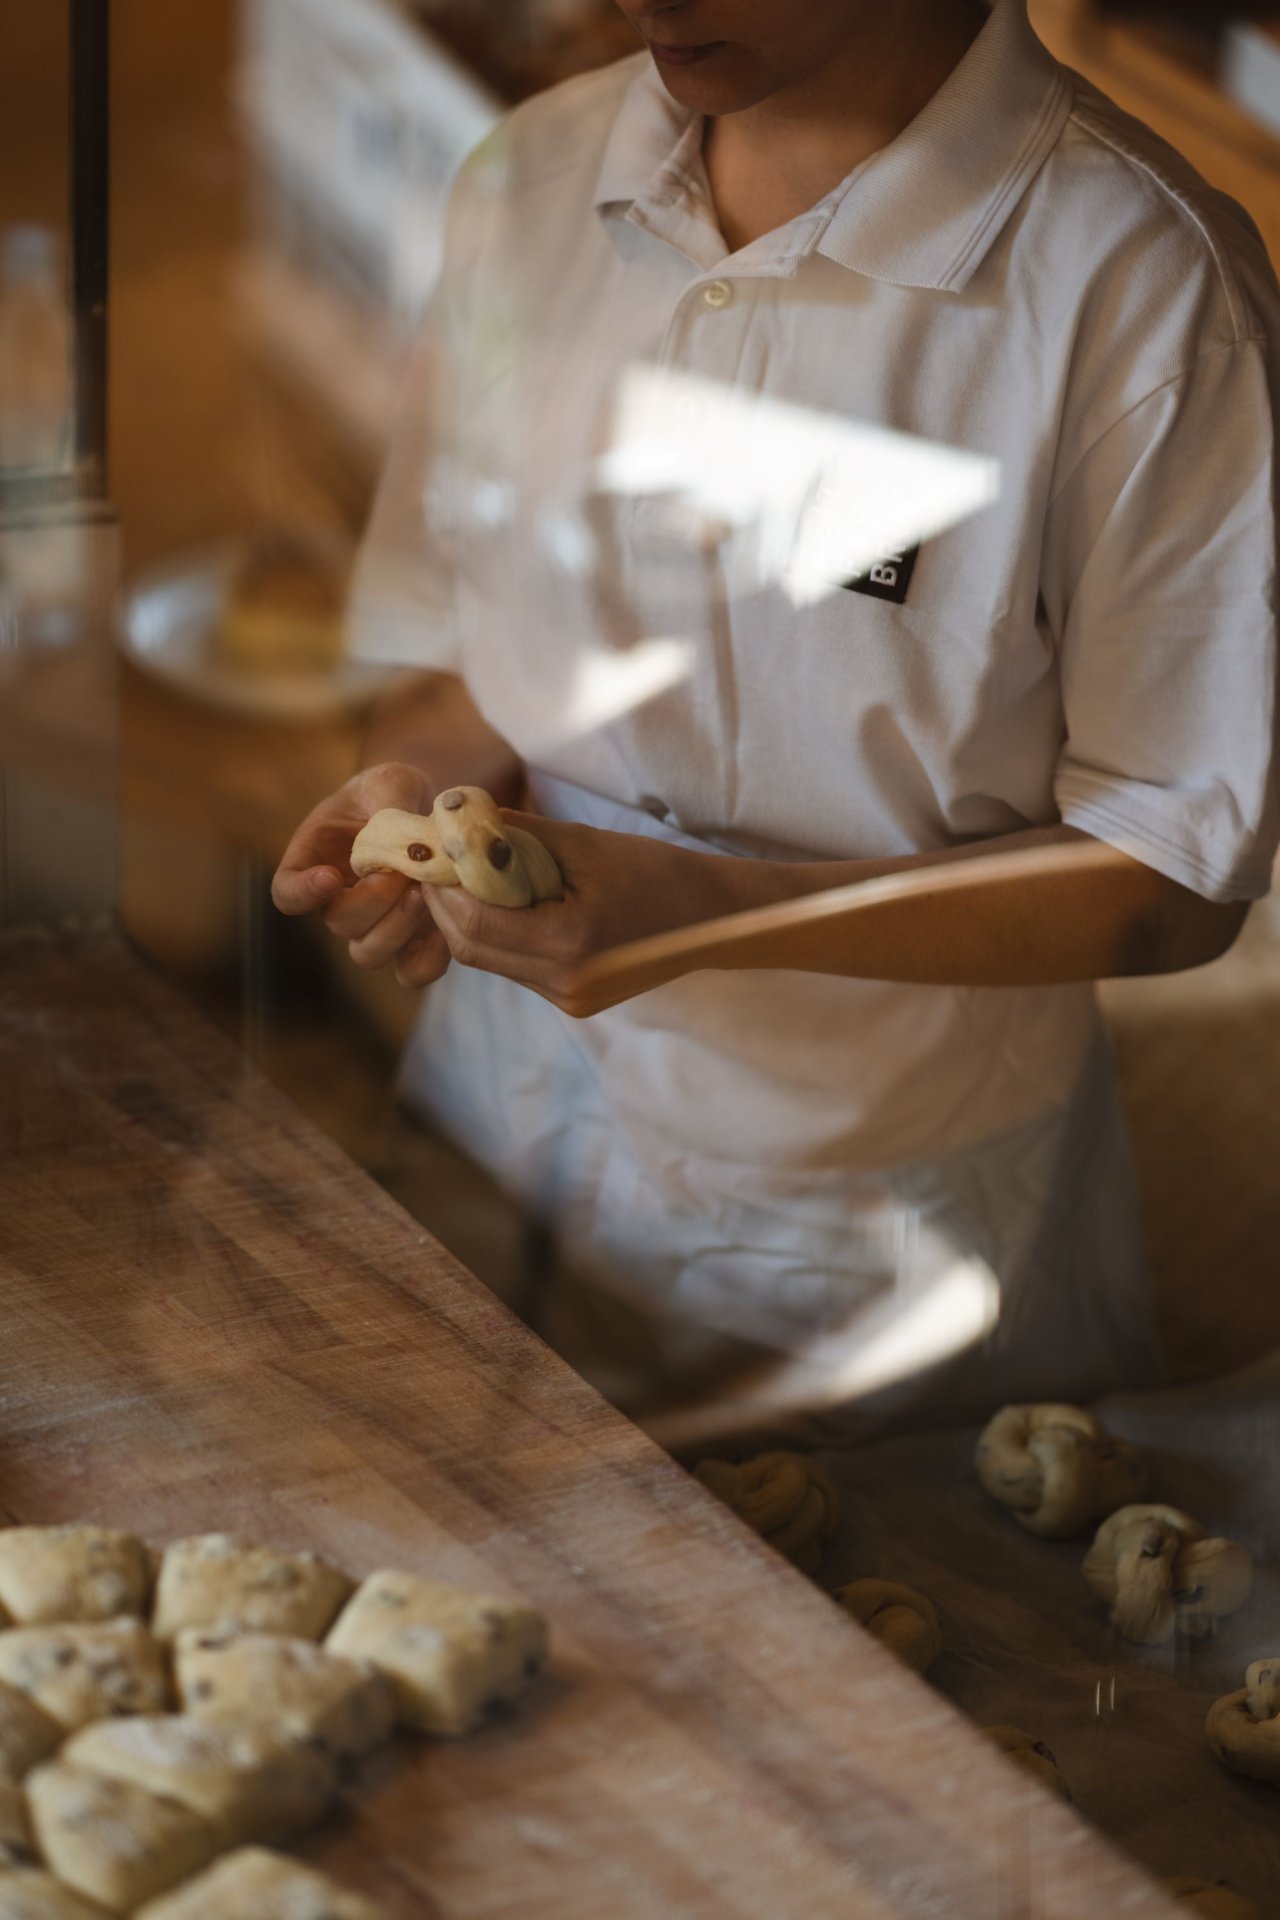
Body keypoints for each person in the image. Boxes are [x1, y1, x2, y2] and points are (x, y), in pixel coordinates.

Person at [272, 0, 1280, 1435]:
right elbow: (455, 648)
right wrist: (409, 797)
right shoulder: (536, 175)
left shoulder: (1140, 290)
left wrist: (719, 912)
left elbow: (1166, 885)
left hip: (867, 1228)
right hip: (490, 1124)